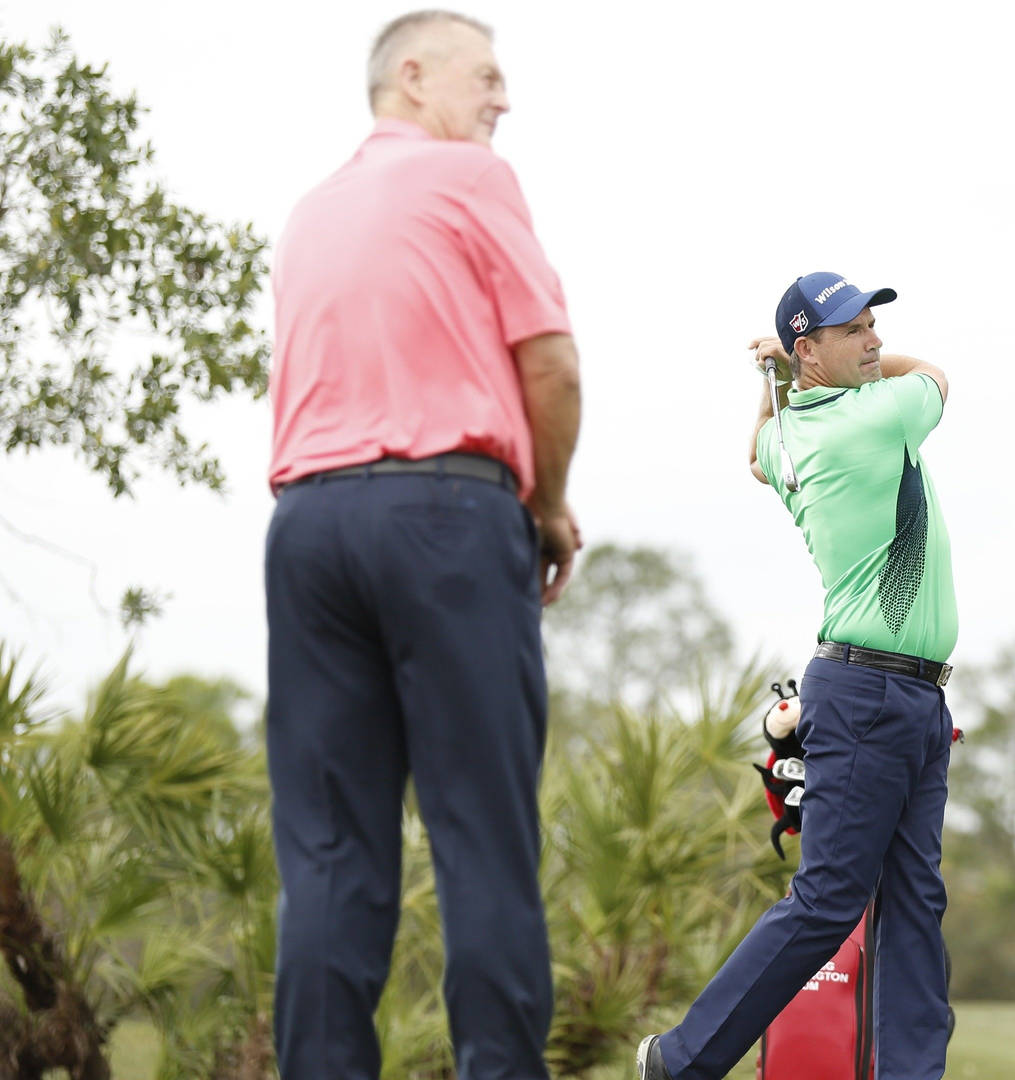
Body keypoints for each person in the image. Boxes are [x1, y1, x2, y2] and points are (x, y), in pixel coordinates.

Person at [263, 10, 582, 1078]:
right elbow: (552, 368)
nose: (504, 97)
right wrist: (549, 503)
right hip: (444, 517)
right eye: (486, 75)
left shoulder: (311, 212)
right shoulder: (470, 180)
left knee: (330, 856)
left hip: (308, 531)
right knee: (481, 834)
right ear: (413, 77)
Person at [637, 273, 958, 1080]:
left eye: (874, 325)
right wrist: (793, 367)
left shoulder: (792, 440)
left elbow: (755, 454)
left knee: (916, 901)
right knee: (827, 903)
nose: (876, 341)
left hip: (908, 694)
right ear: (811, 349)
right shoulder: (871, 419)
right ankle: (681, 1062)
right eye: (854, 331)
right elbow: (938, 377)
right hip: (870, 696)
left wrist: (780, 376)